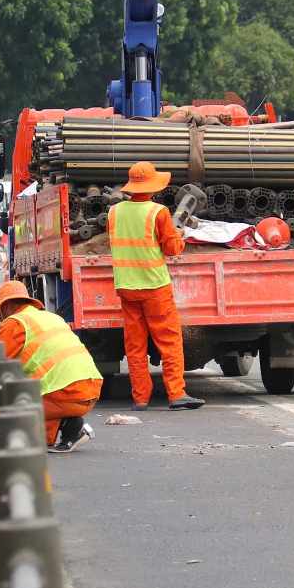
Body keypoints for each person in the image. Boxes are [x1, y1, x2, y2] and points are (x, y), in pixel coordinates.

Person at [107, 161, 204, 412]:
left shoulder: (114, 212)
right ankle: (176, 394)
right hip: (154, 286)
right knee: (169, 341)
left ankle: (140, 398)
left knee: (135, 345)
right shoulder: (158, 212)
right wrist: (180, 237)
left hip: (126, 286)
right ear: (153, 187)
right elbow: (171, 249)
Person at [0, 280, 102, 453]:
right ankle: (68, 428)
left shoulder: (15, 322)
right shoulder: (51, 317)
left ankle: (66, 425)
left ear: (6, 306)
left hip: (64, 392)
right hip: (90, 388)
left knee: (8, 399)